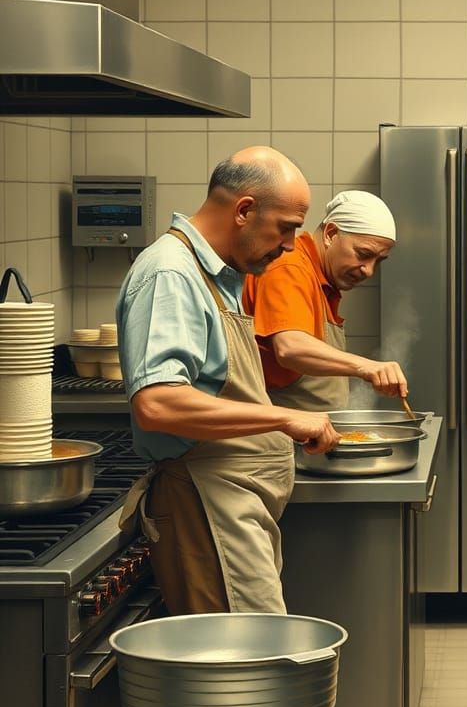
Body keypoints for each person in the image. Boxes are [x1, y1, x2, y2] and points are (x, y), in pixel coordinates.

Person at [117, 147, 339, 621]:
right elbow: (158, 404)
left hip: (233, 505)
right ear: (243, 210)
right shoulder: (171, 275)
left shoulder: (218, 275)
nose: (287, 246)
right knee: (246, 670)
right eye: (285, 227)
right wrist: (284, 416)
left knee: (251, 663)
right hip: (205, 504)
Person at [242, 190, 408, 412]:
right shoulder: (289, 266)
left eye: (378, 261)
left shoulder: (322, 280)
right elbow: (290, 348)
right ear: (330, 233)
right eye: (363, 254)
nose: (369, 270)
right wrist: (366, 367)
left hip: (309, 439)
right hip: (277, 438)